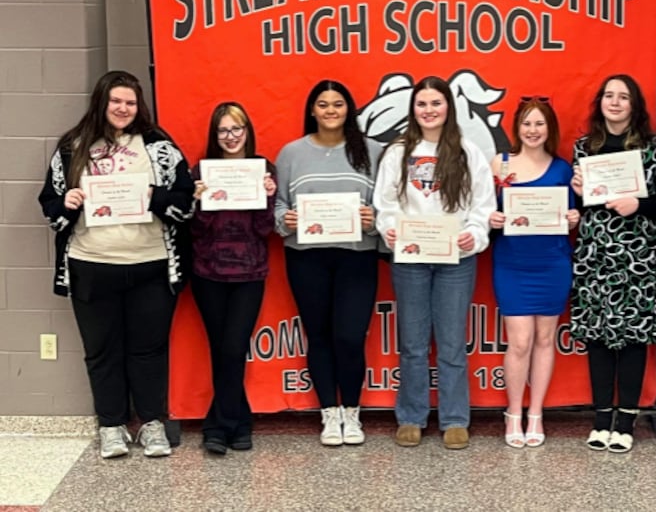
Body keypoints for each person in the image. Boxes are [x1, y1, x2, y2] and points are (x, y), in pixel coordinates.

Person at [38, 70, 194, 459]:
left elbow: (185, 203)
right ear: (101, 103)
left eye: (130, 102)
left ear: (139, 105)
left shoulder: (159, 146)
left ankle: (152, 424)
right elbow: (50, 206)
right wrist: (68, 203)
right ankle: (111, 425)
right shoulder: (73, 147)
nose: (123, 109)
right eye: (116, 101)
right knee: (101, 350)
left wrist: (153, 195)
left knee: (149, 349)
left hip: (151, 264)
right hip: (91, 264)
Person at [373, 75, 495, 450]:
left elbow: (482, 205)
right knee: (412, 341)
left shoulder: (468, 152)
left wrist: (472, 235)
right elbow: (385, 203)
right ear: (413, 109)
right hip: (409, 258)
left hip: (455, 258)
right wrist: (390, 229)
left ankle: (455, 418)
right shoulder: (397, 153)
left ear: (448, 108)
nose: (429, 111)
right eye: (422, 104)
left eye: (436, 104)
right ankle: (411, 416)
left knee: (452, 341)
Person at [569, 74, 656, 453]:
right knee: (598, 336)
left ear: (635, 105)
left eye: (623, 97)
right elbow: (581, 207)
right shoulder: (585, 147)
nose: (615, 102)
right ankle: (600, 422)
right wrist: (579, 194)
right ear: (600, 102)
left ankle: (626, 422)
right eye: (609, 96)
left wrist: (638, 204)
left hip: (637, 257)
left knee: (633, 339)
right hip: (596, 254)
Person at [275, 80, 382, 446]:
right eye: (323, 104)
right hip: (307, 258)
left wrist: (375, 218)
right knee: (318, 335)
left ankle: (352, 414)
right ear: (312, 110)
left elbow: (389, 201)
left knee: (350, 337)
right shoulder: (291, 153)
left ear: (349, 109)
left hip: (357, 256)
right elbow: (278, 205)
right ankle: (329, 414)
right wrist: (284, 220)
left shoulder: (373, 151)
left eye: (338, 104)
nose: (331, 110)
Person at [488, 96, 580, 448]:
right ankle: (513, 413)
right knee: (520, 341)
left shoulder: (562, 169)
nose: (533, 130)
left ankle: (536, 413)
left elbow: (572, 215)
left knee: (544, 339)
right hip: (512, 264)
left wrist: (575, 218)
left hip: (553, 263)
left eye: (539, 123)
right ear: (517, 127)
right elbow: (483, 207)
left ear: (549, 129)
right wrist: (491, 218)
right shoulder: (501, 164)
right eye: (527, 123)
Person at [190, 102, 277, 455]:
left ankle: (219, 426)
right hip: (208, 272)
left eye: (237, 129)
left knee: (233, 348)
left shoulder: (263, 168)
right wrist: (200, 201)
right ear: (215, 135)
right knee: (220, 350)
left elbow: (265, 229)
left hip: (249, 272)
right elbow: (195, 231)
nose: (230, 136)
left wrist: (267, 197)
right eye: (223, 130)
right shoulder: (201, 171)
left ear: (247, 132)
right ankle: (238, 424)